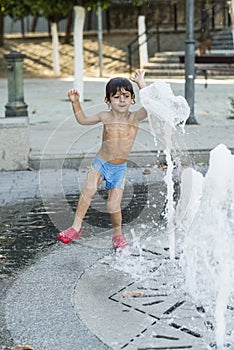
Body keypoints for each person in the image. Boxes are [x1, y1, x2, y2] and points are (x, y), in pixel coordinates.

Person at [58, 69, 147, 250]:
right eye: (116, 97)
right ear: (108, 100)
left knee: (113, 204)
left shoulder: (135, 117)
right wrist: (75, 103)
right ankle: (76, 227)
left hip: (119, 168)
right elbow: (82, 120)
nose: (121, 100)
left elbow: (150, 106)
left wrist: (141, 83)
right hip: (101, 163)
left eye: (126, 96)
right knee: (88, 189)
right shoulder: (104, 116)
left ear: (132, 99)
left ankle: (117, 234)